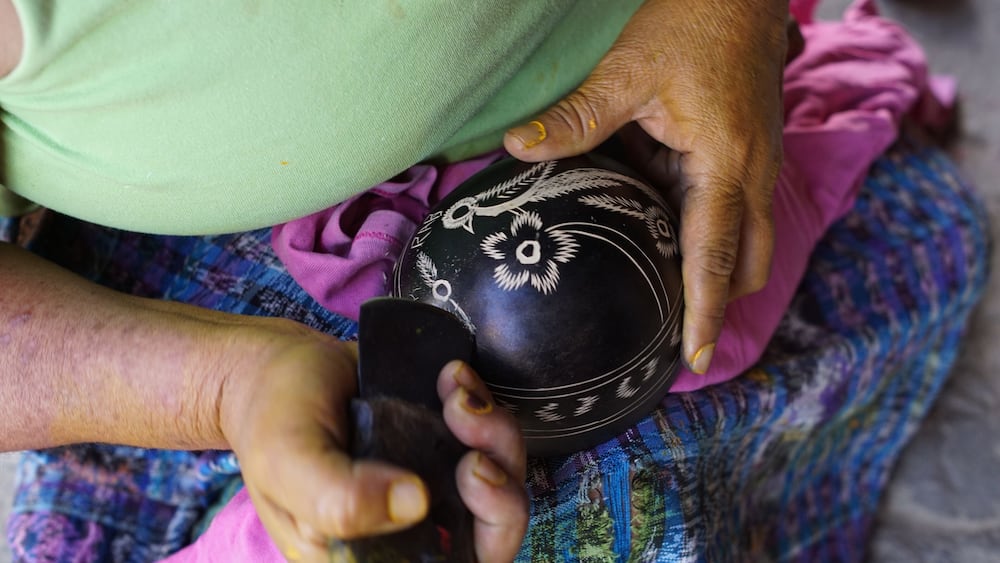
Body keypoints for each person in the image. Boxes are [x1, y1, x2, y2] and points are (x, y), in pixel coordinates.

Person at [2, 0, 988, 562]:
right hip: (210, 300)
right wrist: (227, 383)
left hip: (651, 90)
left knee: (894, 250)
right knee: (396, 516)